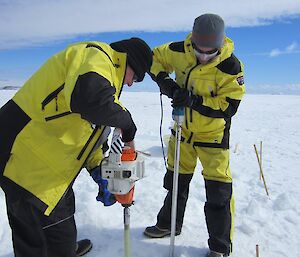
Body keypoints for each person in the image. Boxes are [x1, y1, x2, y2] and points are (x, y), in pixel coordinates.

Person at [0, 37, 152, 257]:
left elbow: (90, 134)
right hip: (23, 160)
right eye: (136, 77)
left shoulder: (105, 85)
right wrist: (126, 121)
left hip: (44, 165)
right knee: (39, 236)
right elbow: (89, 100)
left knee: (49, 226)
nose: (131, 83)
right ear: (129, 61)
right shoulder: (97, 55)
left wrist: (98, 168)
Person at [144, 14, 245, 257]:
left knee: (218, 193)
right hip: (182, 132)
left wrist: (194, 101)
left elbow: (229, 105)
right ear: (193, 41)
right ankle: (169, 224)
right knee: (175, 182)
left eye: (210, 52)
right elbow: (153, 59)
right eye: (200, 50)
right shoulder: (178, 50)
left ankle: (220, 247)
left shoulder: (230, 66)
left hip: (213, 137)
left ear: (220, 46)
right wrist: (166, 84)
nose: (203, 56)